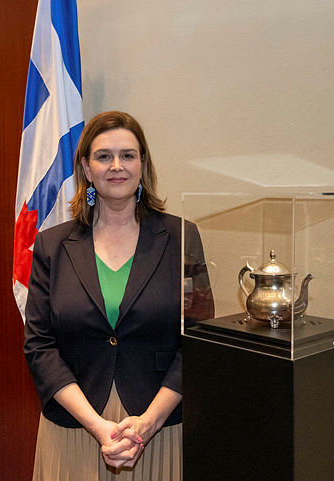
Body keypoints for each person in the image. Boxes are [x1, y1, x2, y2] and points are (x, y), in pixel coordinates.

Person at [24, 111, 214, 480]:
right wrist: (98, 426)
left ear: (143, 163)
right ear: (86, 167)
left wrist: (148, 422)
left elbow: (198, 342)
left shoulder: (182, 238)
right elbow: (39, 346)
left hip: (157, 427)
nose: (117, 166)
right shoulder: (52, 245)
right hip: (75, 427)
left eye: (128, 155)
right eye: (103, 156)